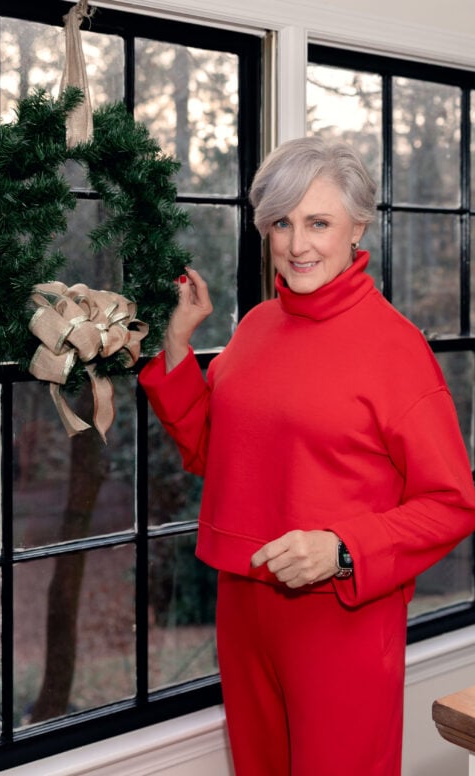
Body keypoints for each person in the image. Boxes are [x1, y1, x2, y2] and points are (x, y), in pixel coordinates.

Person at [138, 136, 475, 776]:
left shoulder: (396, 349)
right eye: (282, 223)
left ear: (356, 228)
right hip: (243, 603)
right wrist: (179, 344)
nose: (298, 245)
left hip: (339, 614)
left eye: (318, 222)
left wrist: (342, 548)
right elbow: (216, 451)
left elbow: (453, 503)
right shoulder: (258, 326)